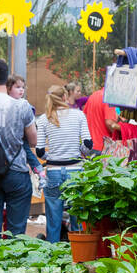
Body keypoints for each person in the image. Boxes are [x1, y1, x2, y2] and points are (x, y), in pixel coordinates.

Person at [0, 58, 36, 238]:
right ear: (6, 77)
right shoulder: (22, 106)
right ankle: (13, 265)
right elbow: (33, 140)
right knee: (16, 230)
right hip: (16, 171)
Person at [35, 85, 88, 242]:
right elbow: (88, 144)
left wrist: (51, 156)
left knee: (53, 218)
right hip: (75, 172)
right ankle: (80, 254)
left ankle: (53, 257)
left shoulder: (44, 119)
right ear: (65, 97)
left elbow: (39, 151)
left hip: (53, 173)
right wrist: (77, 150)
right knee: (76, 215)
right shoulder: (79, 115)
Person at [7, 73, 44, 186]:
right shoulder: (11, 103)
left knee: (28, 152)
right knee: (28, 153)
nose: (21, 90)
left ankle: (40, 173)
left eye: (23, 87)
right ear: (8, 88)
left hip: (22, 136)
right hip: (17, 137)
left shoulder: (24, 104)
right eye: (17, 87)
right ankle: (40, 172)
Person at [83, 86, 120, 150]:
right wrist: (125, 130)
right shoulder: (109, 98)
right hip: (104, 147)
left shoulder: (93, 95)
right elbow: (110, 123)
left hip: (92, 145)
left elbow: (85, 115)